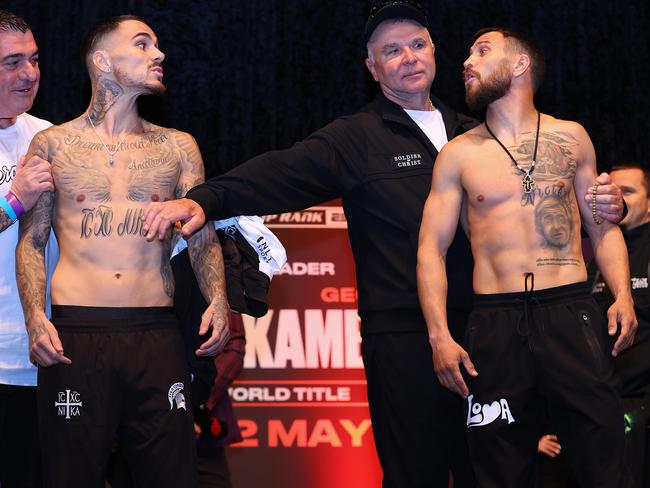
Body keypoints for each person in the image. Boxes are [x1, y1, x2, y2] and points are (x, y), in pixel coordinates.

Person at [141, 3, 624, 487]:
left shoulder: (478, 135)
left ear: (435, 52)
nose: (408, 57)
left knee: (497, 472)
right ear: (372, 69)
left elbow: (548, 205)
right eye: (391, 51)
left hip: (490, 332)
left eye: (417, 45)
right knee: (415, 473)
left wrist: (605, 207)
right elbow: (279, 172)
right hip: (404, 339)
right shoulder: (357, 137)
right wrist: (206, 199)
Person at [417, 27, 636, 488]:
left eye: (482, 51)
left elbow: (603, 225)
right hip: (495, 323)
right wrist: (439, 335)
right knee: (499, 467)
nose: (466, 63)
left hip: (570, 311)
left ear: (519, 65)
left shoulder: (571, 137)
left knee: (604, 460)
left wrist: (622, 295)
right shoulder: (457, 155)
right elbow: (430, 251)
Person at [15, 15, 229, 488]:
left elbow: (202, 234)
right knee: (68, 475)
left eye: (157, 44)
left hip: (155, 331)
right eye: (143, 43)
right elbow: (32, 238)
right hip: (76, 335)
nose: (159, 54)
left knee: (171, 475)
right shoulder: (51, 144)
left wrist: (218, 298)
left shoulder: (178, 147)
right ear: (103, 60)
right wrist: (35, 316)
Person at [0, 9, 56, 488]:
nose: (30, 73)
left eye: (34, 59)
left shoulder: (49, 137)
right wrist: (14, 203)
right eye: (12, 62)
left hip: (41, 361)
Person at [589, 161, 650, 487]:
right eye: (611, 190)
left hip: (641, 405)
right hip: (601, 401)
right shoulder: (598, 252)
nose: (617, 198)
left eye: (628, 191)